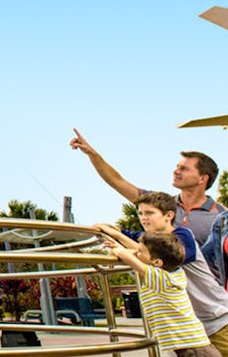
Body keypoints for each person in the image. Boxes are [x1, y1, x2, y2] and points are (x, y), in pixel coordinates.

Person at [95, 192, 228, 355]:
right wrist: (115, 232)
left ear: (169, 215)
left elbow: (153, 256)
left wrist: (119, 239)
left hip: (215, 319)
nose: (143, 218)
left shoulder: (182, 237)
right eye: (140, 213)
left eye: (149, 213)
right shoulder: (149, 241)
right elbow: (142, 245)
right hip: (180, 332)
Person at [70, 129, 227, 244]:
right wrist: (92, 154)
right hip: (165, 286)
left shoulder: (221, 215)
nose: (176, 171)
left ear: (202, 178)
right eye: (177, 166)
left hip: (205, 288)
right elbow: (117, 181)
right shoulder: (160, 203)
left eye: (184, 169)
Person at [103, 230, 218, 357]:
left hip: (194, 349)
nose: (136, 252)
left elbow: (129, 258)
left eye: (140, 251)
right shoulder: (171, 273)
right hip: (191, 345)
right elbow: (134, 255)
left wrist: (117, 250)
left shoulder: (163, 279)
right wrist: (119, 249)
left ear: (157, 262)